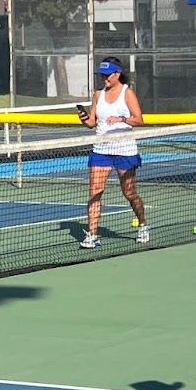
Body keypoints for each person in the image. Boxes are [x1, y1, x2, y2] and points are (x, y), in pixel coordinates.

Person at [77, 57, 147, 249]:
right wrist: (84, 118)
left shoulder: (127, 93)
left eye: (108, 75)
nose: (104, 79)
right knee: (94, 193)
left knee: (130, 193)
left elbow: (139, 119)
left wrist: (122, 119)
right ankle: (92, 234)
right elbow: (92, 123)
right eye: (102, 75)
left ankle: (142, 224)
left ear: (117, 74)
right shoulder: (98, 95)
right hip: (101, 149)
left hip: (124, 150)